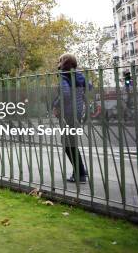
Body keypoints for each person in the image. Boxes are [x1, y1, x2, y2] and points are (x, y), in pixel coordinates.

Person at [52, 53, 88, 183]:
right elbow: (89, 87)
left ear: (64, 62)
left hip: (67, 113)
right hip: (78, 112)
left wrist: (56, 106)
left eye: (59, 60)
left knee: (67, 143)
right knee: (71, 142)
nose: (58, 63)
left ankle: (80, 174)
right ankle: (80, 171)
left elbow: (65, 94)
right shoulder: (79, 75)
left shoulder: (64, 75)